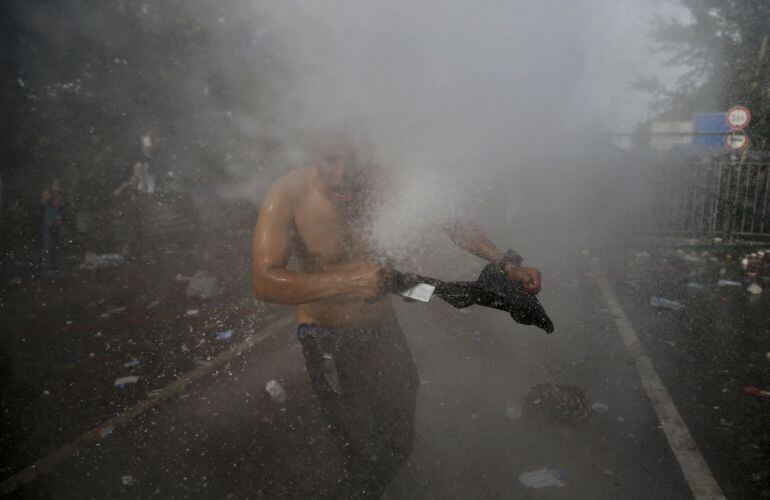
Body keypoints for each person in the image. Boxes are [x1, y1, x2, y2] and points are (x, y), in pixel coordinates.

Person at [251, 132, 541, 498]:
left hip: (382, 329)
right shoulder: (289, 194)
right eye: (331, 161)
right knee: (363, 456)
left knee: (399, 444)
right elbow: (264, 281)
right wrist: (346, 280)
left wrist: (506, 264)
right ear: (314, 156)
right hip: (325, 337)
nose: (343, 175)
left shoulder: (383, 182)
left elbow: (451, 221)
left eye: (353, 161)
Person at [40, 179, 71, 273]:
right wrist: (49, 196)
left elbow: (64, 204)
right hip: (48, 223)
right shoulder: (48, 193)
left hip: (58, 223)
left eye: (57, 184)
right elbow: (42, 202)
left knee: (58, 245)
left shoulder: (61, 193)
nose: (56, 185)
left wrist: (60, 196)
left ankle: (59, 266)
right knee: (48, 245)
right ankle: (47, 266)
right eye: (54, 183)